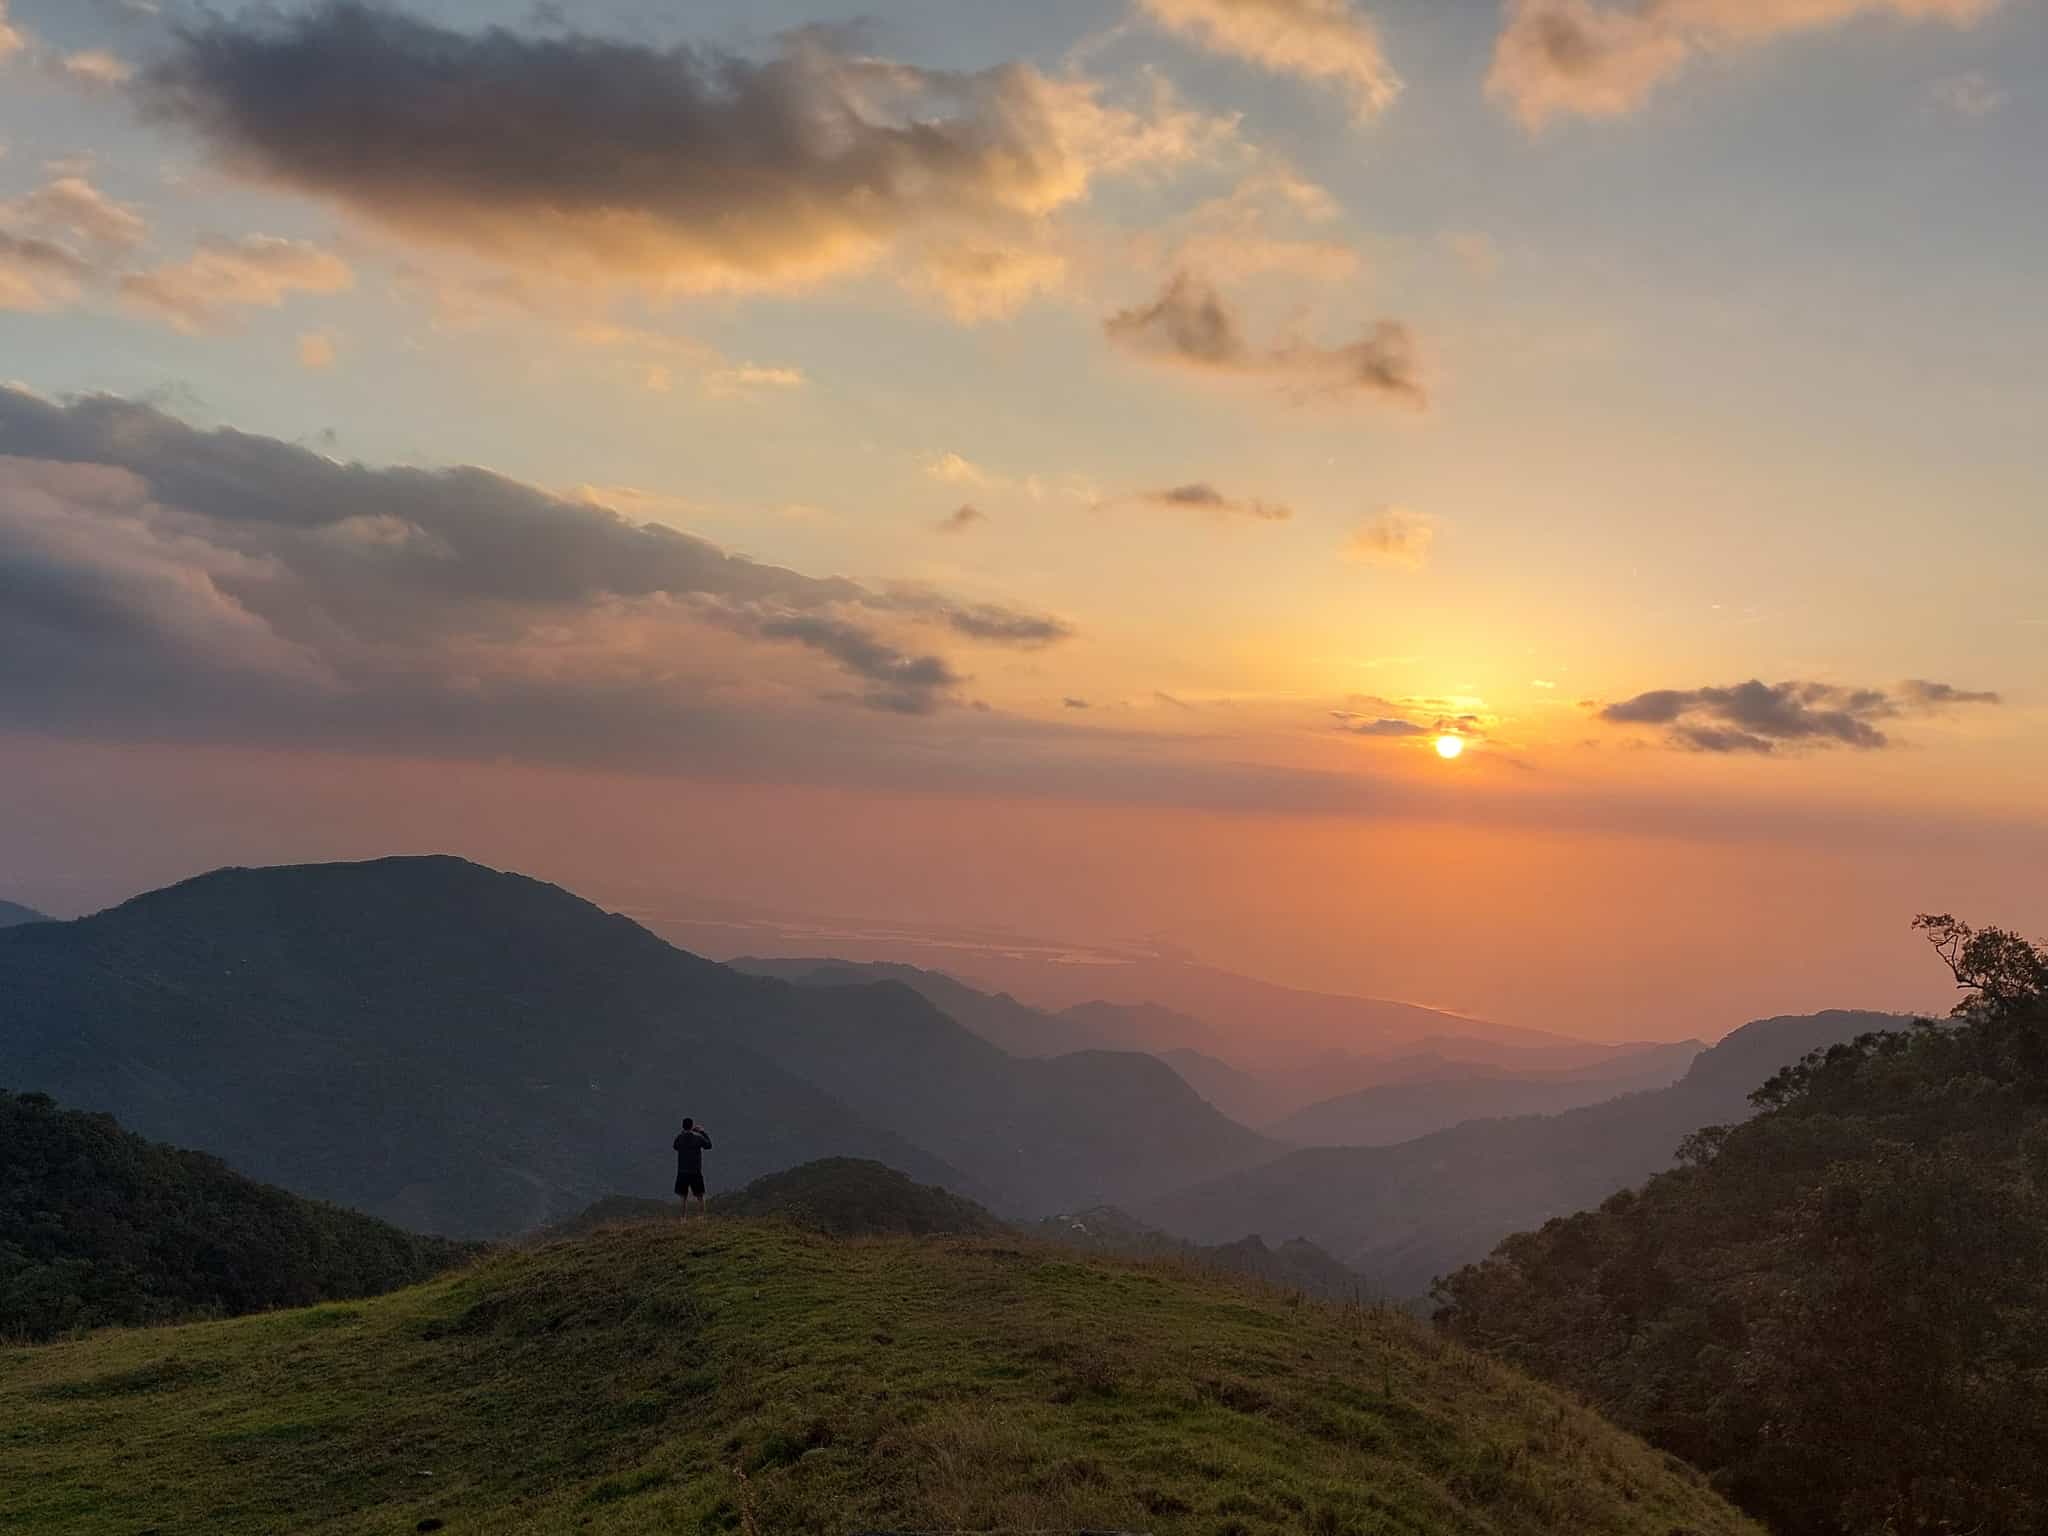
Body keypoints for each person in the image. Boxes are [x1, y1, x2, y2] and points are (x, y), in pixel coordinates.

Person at [672, 1117, 713, 1220]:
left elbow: (675, 1146)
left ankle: (683, 1219)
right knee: (700, 1195)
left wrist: (682, 1133)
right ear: (692, 1126)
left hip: (682, 1171)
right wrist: (702, 1132)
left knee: (683, 1196)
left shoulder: (680, 1138)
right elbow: (708, 1145)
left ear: (683, 1126)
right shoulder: (698, 1137)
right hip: (695, 1170)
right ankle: (701, 1217)